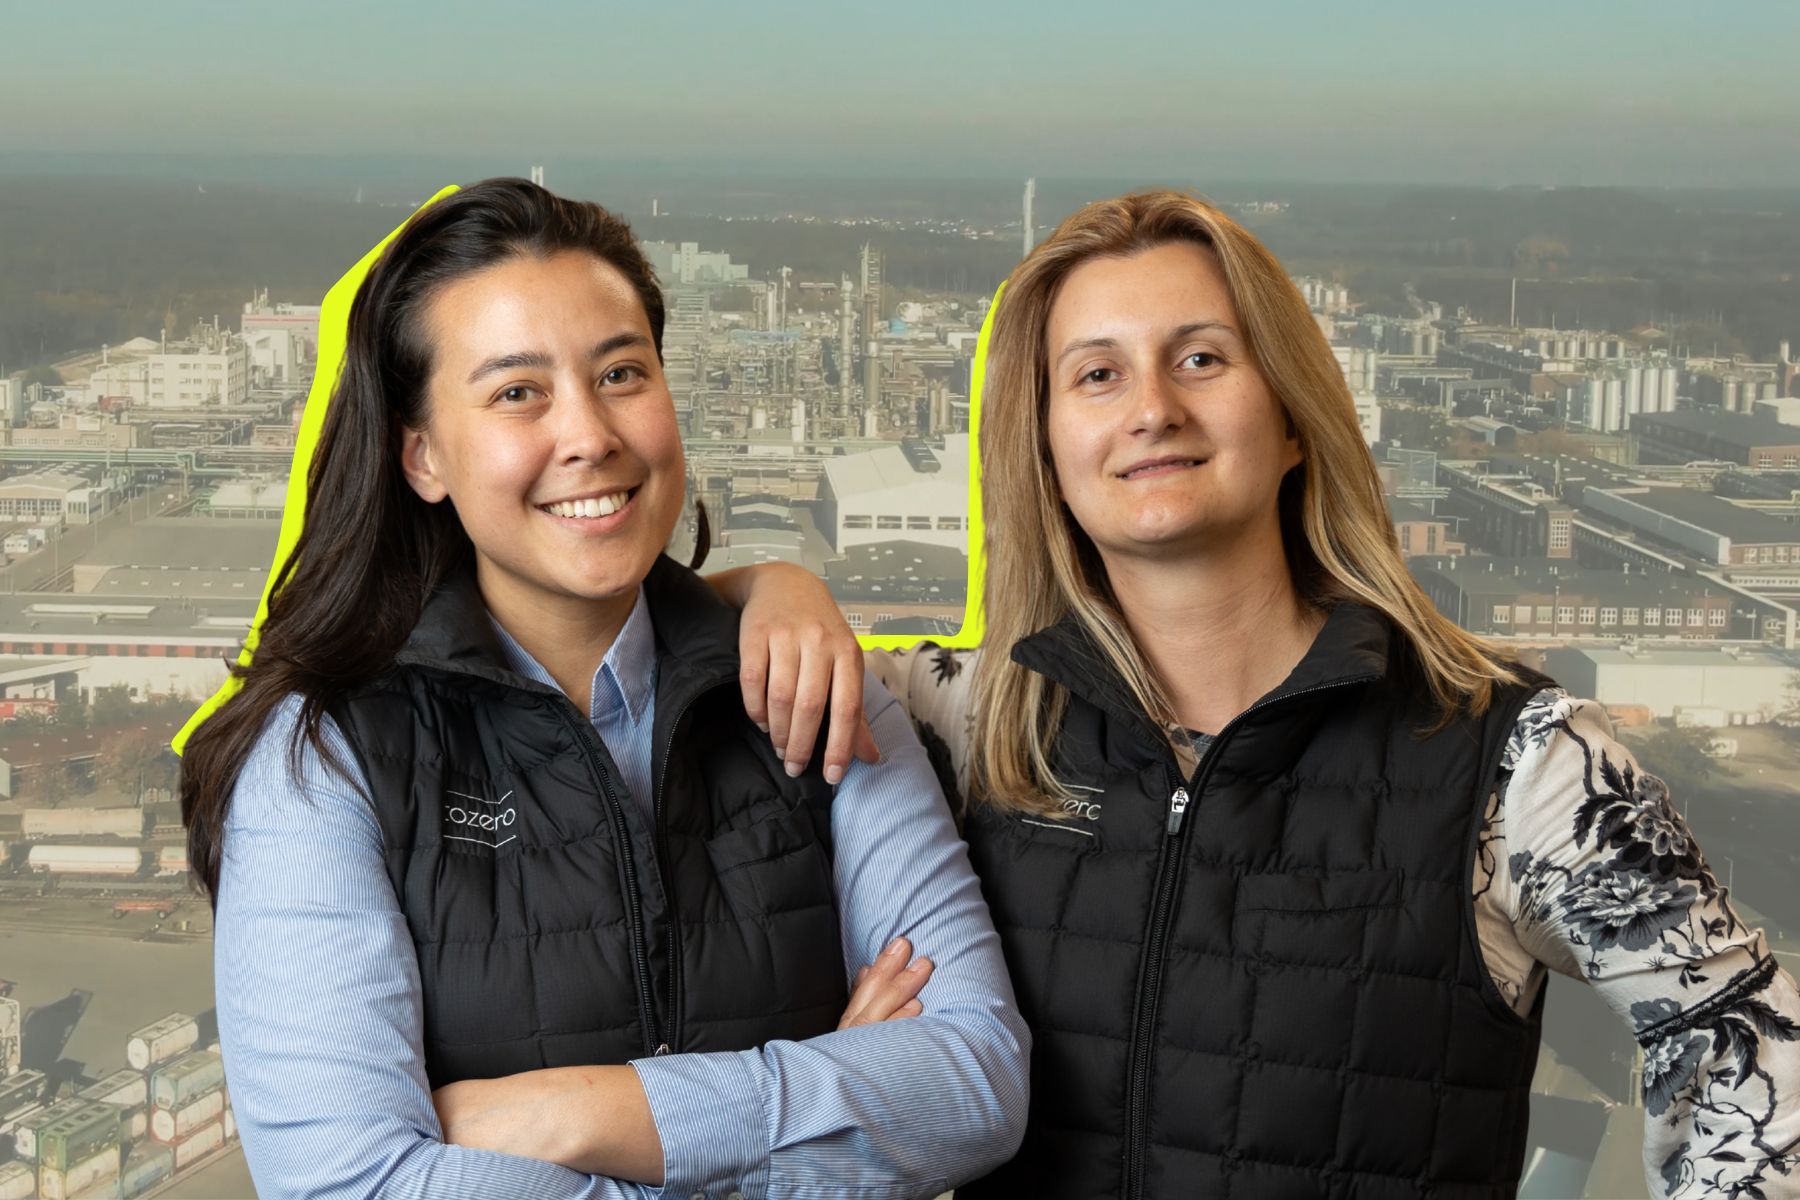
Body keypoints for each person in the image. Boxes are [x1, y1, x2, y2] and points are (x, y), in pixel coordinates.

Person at [864, 190, 1800, 1198]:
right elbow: (685, 674)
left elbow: (1760, 1068)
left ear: (1293, 418)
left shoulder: (1515, 762)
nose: (1152, 409)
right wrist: (766, 590)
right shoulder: (964, 721)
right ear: (1043, 451)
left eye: (1201, 359)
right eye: (1097, 374)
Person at [179, 178, 1028, 1200]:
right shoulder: (325, 758)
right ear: (424, 456)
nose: (589, 435)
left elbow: (976, 1080)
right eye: (516, 392)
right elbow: (348, 1185)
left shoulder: (816, 696)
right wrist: (828, 1116)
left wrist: (567, 1114)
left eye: (621, 373)